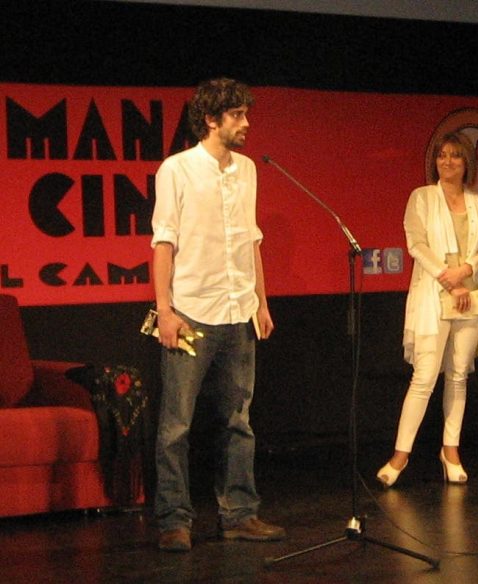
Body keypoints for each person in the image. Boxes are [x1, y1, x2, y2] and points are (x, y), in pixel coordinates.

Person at [151, 77, 285, 552]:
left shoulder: (247, 169)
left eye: (246, 114)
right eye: (237, 116)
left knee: (237, 421)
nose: (246, 124)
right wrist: (165, 310)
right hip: (192, 312)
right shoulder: (177, 169)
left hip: (239, 310)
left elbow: (252, 241)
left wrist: (261, 302)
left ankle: (239, 514)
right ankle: (173, 520)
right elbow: (163, 242)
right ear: (211, 119)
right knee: (176, 426)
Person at [376, 132, 478, 488]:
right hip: (435, 294)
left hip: (470, 295)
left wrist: (467, 271)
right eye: (442, 156)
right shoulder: (422, 198)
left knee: (458, 374)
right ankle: (400, 455)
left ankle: (450, 449)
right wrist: (450, 280)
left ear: (466, 164)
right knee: (424, 377)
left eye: (455, 156)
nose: (447, 162)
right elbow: (416, 244)